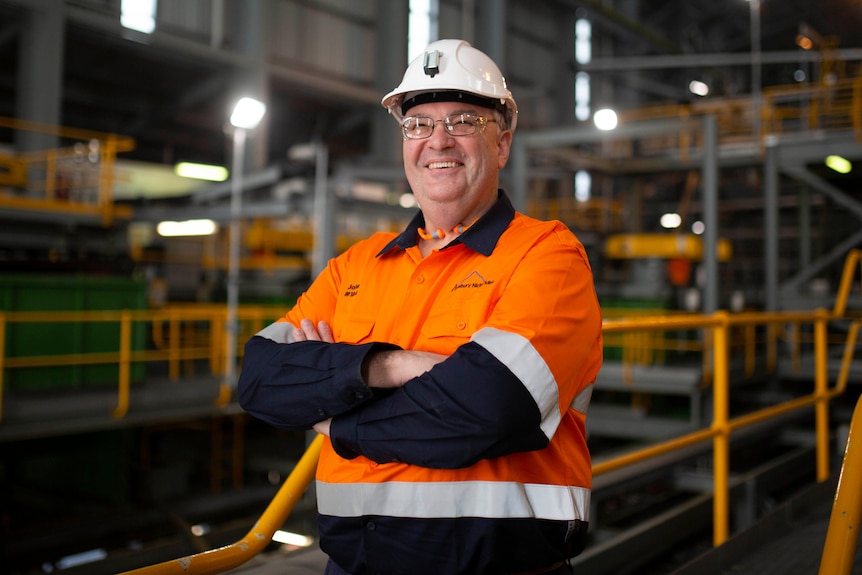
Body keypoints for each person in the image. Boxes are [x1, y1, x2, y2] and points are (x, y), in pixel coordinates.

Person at [238, 39, 603, 575]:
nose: (438, 141)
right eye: (418, 125)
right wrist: (389, 366)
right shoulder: (355, 267)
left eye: (462, 121)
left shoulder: (547, 255)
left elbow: (488, 410)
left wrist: (336, 418)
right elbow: (260, 378)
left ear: (501, 145)